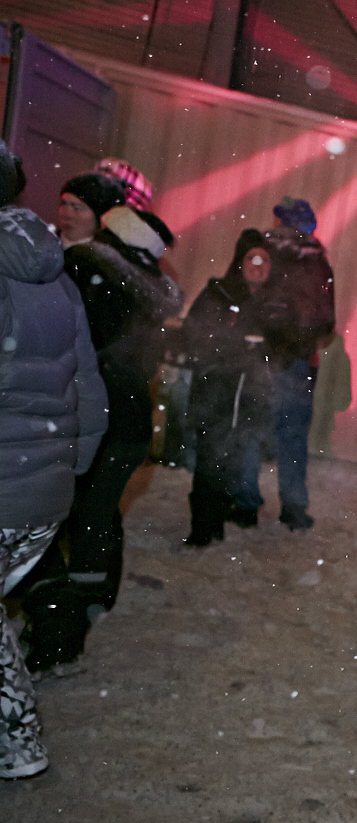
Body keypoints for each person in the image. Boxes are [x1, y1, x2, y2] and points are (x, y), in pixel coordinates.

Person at [20, 177, 181, 670]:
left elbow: (86, 347)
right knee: (90, 510)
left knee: (83, 512)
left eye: (79, 206)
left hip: (100, 413)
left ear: (104, 218)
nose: (66, 212)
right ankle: (82, 602)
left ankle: (72, 612)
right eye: (62, 202)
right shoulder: (74, 263)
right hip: (89, 413)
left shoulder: (92, 271)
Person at [0, 142, 108, 773]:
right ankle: (20, 745)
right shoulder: (57, 276)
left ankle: (20, 744)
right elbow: (88, 390)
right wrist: (68, 470)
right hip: (42, 494)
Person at [238, 196, 336, 531]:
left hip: (258, 355)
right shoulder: (318, 264)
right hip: (298, 360)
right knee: (292, 436)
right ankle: (293, 508)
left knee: (252, 430)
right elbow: (327, 321)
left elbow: (244, 302)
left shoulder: (260, 252)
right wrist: (299, 338)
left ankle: (246, 502)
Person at [178, 229, 274, 544]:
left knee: (233, 462)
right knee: (209, 461)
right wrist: (236, 347)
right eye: (252, 259)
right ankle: (201, 530)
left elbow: (286, 349)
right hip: (215, 393)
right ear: (240, 260)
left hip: (248, 399)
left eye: (265, 261)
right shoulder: (219, 293)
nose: (258, 267)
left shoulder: (273, 305)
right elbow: (194, 334)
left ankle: (216, 522)